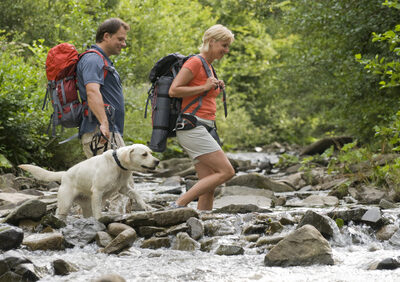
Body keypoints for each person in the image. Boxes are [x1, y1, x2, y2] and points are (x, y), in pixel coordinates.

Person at [168, 24, 236, 211]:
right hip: (192, 126)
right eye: (224, 45)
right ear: (211, 42)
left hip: (204, 126)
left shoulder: (209, 67)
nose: (226, 50)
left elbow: (200, 91)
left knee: (209, 185)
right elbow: (174, 90)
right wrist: (204, 87)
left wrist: (212, 86)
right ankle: (178, 204)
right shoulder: (195, 62)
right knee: (226, 171)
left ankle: (205, 224)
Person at [77, 18, 130, 158]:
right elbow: (92, 92)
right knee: (121, 179)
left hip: (107, 131)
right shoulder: (93, 60)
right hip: (100, 132)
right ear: (106, 36)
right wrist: (104, 124)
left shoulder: (102, 60)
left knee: (121, 179)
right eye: (120, 39)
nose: (123, 44)